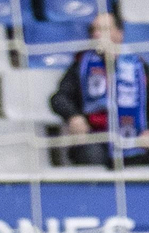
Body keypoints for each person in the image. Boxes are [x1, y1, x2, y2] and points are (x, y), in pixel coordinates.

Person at [50, 11, 149, 165]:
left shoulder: (139, 67)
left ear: (119, 34)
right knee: (90, 156)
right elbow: (59, 98)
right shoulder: (81, 65)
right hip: (95, 138)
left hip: (135, 139)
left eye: (102, 29)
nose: (96, 35)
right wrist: (74, 116)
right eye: (93, 30)